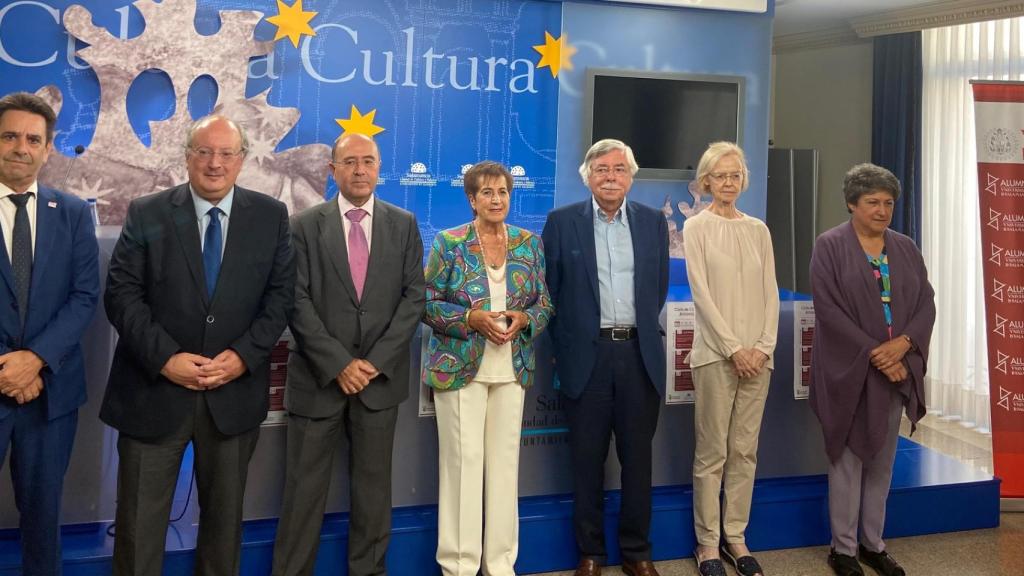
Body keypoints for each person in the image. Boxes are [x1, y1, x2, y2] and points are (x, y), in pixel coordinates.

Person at [101, 115, 295, 576]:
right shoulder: (147, 212)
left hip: (232, 396)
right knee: (138, 530)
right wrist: (166, 358)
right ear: (186, 156)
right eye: (204, 152)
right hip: (153, 393)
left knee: (223, 532)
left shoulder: (271, 217)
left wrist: (242, 358)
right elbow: (122, 294)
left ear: (242, 160)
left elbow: (281, 298)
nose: (214, 163)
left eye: (227, 153)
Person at [271, 133, 425, 576]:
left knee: (373, 494)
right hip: (319, 381)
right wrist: (339, 364)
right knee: (303, 494)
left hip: (379, 383)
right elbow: (294, 300)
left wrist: (373, 363)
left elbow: (414, 298)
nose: (360, 170)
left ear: (379, 168)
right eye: (350, 162)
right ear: (332, 170)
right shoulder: (302, 224)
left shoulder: (404, 223)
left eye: (368, 161)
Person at [542, 139, 669, 576]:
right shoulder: (561, 223)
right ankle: (591, 553)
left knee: (638, 461)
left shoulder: (653, 223)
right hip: (586, 359)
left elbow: (658, 287)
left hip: (638, 355)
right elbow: (550, 293)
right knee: (586, 460)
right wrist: (565, 350)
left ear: (631, 177)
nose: (611, 176)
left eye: (619, 169)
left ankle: (637, 552)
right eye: (602, 169)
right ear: (588, 177)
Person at [422, 161, 553, 576]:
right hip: (460, 367)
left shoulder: (529, 244)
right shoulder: (449, 242)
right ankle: (459, 566)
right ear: (471, 199)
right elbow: (425, 302)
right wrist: (468, 319)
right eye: (487, 193)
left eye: (503, 192)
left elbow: (544, 303)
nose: (496, 200)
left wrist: (526, 319)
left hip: (511, 369)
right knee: (463, 464)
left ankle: (499, 565)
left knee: (504, 466)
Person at [809, 163, 935, 576]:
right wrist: (877, 354)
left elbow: (925, 304)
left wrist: (904, 345)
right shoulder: (829, 245)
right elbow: (828, 310)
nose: (882, 210)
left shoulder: (905, 248)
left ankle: (872, 544)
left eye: (888, 203)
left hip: (897, 368)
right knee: (846, 461)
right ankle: (842, 549)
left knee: (882, 461)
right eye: (872, 202)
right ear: (851, 203)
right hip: (849, 372)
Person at [0, 92, 99, 575]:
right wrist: (6, 368)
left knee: (43, 519)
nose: (21, 147)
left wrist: (34, 358)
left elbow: (84, 296)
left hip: (49, 394)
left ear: (48, 147)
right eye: (10, 135)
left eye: (32, 139)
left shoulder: (75, 212)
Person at [683, 142, 778, 576]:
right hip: (715, 356)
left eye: (735, 175)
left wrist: (762, 346)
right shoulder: (696, 227)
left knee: (745, 451)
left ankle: (736, 537)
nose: (727, 182)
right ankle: (706, 544)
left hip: (759, 358)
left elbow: (771, 293)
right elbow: (701, 294)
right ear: (706, 181)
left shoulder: (758, 229)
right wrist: (733, 348)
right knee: (711, 454)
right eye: (720, 176)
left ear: (744, 180)